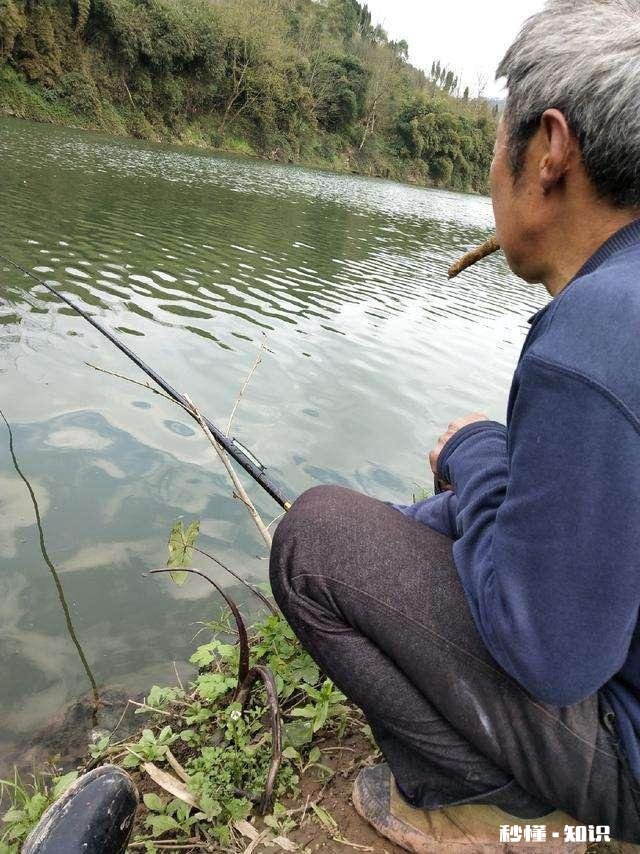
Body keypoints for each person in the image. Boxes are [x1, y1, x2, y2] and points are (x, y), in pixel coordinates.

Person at [269, 0, 640, 850]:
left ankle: (489, 809)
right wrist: (457, 488)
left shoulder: (595, 334)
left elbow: (551, 654)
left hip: (628, 756)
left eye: (496, 140)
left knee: (315, 541)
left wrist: (473, 453)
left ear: (549, 150)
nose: (490, 172)